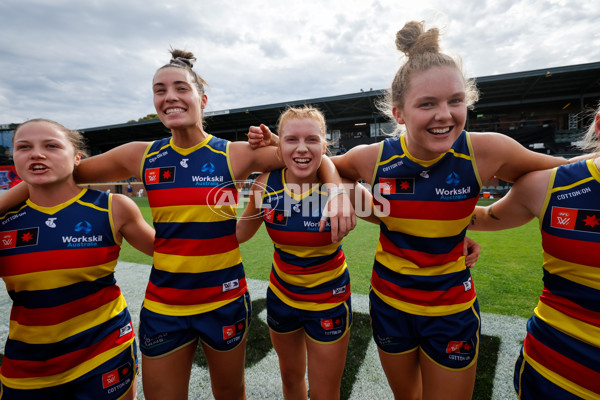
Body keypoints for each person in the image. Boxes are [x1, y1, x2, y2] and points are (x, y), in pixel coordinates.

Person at [0, 49, 355, 400]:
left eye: (180, 88)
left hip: (224, 298)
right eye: (160, 89)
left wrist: (336, 190)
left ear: (202, 99)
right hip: (164, 304)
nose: (170, 96)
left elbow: (308, 154)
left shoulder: (233, 154)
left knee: (231, 393)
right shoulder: (141, 154)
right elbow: (63, 170)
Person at [248, 21, 567, 399]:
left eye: (455, 100)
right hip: (391, 304)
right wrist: (291, 159)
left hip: (451, 308)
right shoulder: (374, 158)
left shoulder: (488, 149)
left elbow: (566, 171)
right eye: (427, 104)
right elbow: (315, 161)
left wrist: (468, 224)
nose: (444, 115)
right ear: (398, 114)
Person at [0, 119, 155, 399]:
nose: (36, 154)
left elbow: (168, 252)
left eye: (52, 146)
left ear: (77, 158)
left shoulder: (114, 207)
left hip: (104, 351)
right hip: (27, 365)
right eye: (24, 147)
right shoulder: (5, 221)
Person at [237, 105, 375, 399]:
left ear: (326, 145)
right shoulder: (264, 186)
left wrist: (459, 237)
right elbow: (240, 234)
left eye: (312, 139)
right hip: (282, 298)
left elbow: (397, 222)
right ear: (279, 146)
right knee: (290, 378)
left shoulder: (347, 191)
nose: (302, 148)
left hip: (329, 301)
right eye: (291, 140)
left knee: (326, 391)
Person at [469, 104, 600, 399]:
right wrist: (428, 216)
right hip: (554, 372)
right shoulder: (550, 184)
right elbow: (488, 217)